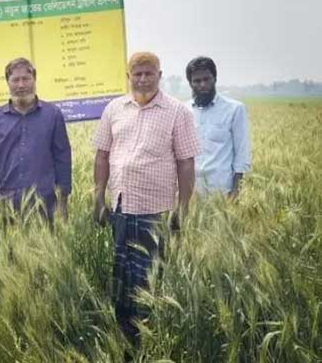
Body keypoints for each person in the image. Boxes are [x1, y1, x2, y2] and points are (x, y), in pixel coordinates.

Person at [92, 52, 200, 344]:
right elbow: (102, 155)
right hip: (121, 209)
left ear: (160, 76)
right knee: (122, 278)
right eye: (136, 74)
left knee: (148, 279)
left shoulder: (178, 112)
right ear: (128, 76)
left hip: (156, 212)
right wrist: (99, 197)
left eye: (148, 73)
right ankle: (124, 339)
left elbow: (186, 163)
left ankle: (146, 341)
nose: (142, 79)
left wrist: (184, 207)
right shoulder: (114, 108)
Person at [0, 57, 72, 222]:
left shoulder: (52, 115)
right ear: (7, 82)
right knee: (9, 249)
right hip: (6, 207)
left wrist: (63, 202)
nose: (21, 85)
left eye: (26, 79)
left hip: (45, 206)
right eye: (15, 80)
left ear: (34, 80)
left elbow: (62, 159)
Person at [186, 56, 251, 198]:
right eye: (196, 81)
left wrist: (235, 192)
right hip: (191, 192)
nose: (202, 84)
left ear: (215, 78)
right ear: (190, 83)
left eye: (206, 79)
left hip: (221, 191)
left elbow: (242, 154)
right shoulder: (184, 111)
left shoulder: (234, 109)